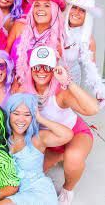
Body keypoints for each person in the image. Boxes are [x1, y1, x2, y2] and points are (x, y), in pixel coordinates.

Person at [27, 46, 99, 205]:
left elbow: (93, 108)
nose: (41, 71)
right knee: (31, 173)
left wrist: (68, 82)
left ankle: (68, 188)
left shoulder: (61, 92)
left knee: (73, 157)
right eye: (37, 67)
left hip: (75, 133)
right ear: (31, 68)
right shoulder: (25, 89)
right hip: (50, 140)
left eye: (47, 67)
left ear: (53, 70)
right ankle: (59, 155)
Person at [0, 93, 73, 205]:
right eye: (16, 113)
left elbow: (67, 135)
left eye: (27, 115)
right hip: (10, 192)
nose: (21, 119)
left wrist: (40, 119)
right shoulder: (2, 140)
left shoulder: (37, 139)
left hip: (37, 192)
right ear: (9, 115)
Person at [8, 0, 66, 85]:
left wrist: (20, 87)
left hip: (32, 89)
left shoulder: (56, 43)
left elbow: (45, 75)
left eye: (47, 5)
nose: (40, 9)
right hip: (8, 82)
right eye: (37, 5)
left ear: (54, 11)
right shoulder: (19, 26)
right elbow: (5, 53)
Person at [64, 0, 105, 108]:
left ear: (88, 16)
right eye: (74, 7)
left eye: (83, 10)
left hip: (70, 83)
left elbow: (91, 68)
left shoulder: (88, 40)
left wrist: (99, 91)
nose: (76, 12)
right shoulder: (58, 26)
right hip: (47, 77)